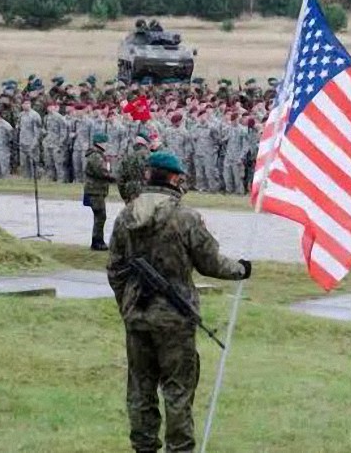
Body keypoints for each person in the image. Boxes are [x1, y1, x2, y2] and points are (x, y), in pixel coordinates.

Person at [107, 151, 251, 453]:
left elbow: (115, 268)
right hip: (175, 318)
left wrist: (127, 303)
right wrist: (241, 269)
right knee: (178, 389)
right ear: (175, 179)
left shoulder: (126, 215)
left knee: (140, 388)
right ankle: (180, 449)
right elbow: (210, 262)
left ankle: (144, 446)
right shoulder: (184, 217)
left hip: (137, 316)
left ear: (148, 176)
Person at [84, 133, 114, 251]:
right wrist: (114, 178)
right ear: (100, 143)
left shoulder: (98, 155)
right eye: (105, 142)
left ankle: (98, 240)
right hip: (95, 190)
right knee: (100, 216)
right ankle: (97, 242)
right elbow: (101, 172)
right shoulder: (95, 156)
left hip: (97, 189)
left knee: (100, 216)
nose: (107, 145)